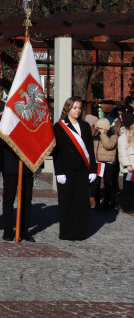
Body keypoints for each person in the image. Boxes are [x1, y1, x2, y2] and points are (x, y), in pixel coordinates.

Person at [54, 96, 97, 240]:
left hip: (83, 169)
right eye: (75, 108)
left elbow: (90, 149)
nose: (77, 110)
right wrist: (59, 172)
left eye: (79, 108)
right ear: (68, 108)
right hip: (67, 170)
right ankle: (66, 232)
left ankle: (80, 232)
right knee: (67, 201)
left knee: (81, 201)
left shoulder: (85, 126)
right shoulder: (59, 126)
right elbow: (57, 152)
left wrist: (92, 169)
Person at [0, 105, 36, 242]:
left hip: (27, 165)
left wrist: (39, 164)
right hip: (10, 165)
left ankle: (24, 230)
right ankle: (7, 229)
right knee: (9, 199)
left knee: (26, 199)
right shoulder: (6, 117)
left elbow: (37, 141)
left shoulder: (30, 116)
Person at [92, 118, 118, 211]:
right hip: (98, 162)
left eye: (99, 128)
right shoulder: (96, 136)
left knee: (107, 182)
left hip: (108, 162)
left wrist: (103, 134)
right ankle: (97, 202)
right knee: (96, 183)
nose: (98, 130)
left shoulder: (113, 136)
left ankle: (107, 202)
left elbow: (108, 145)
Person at [116, 106, 134, 212]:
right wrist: (128, 165)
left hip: (132, 165)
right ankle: (127, 206)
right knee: (128, 186)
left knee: (132, 186)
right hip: (129, 167)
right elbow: (122, 151)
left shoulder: (130, 131)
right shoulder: (123, 133)